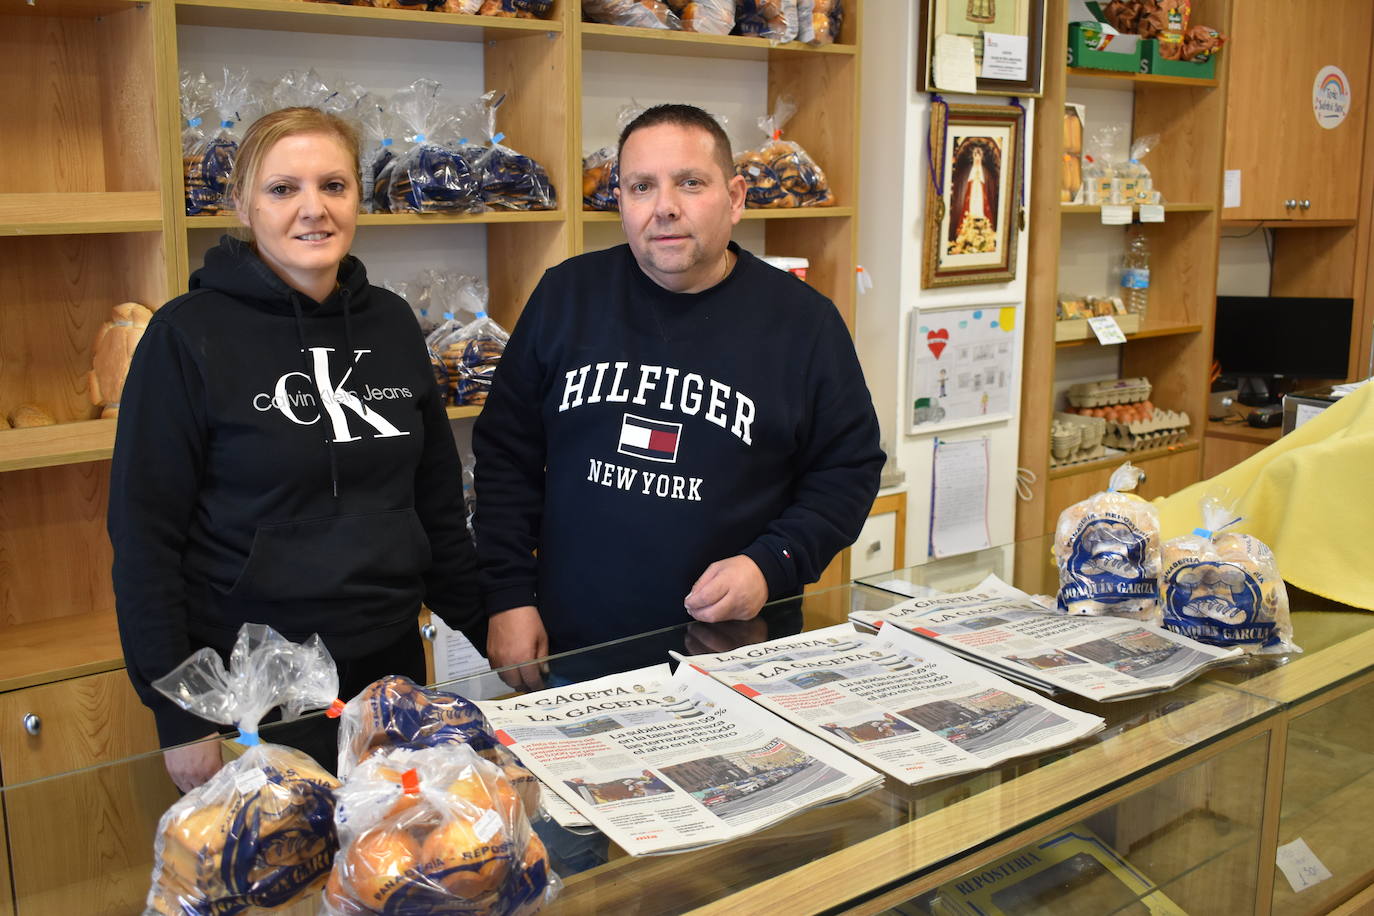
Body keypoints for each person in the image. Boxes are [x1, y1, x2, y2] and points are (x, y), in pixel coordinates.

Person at [108, 107, 480, 792]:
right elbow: (144, 542)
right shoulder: (186, 336)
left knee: (395, 876)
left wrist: (496, 627)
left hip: (390, 671)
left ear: (357, 199)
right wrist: (179, 718)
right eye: (284, 190)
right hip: (251, 693)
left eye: (333, 186)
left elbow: (435, 510)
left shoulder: (393, 323)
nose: (314, 209)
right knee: (283, 888)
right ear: (243, 204)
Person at [473, 103, 883, 689]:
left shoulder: (804, 323)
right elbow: (504, 456)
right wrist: (507, 595)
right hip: (577, 648)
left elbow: (849, 468)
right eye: (642, 186)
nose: (665, 206)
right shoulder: (566, 296)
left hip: (736, 653)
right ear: (620, 201)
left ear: (736, 198)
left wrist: (772, 564)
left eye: (690, 183)